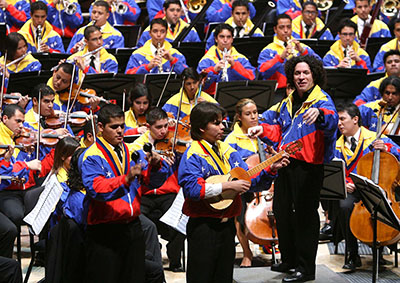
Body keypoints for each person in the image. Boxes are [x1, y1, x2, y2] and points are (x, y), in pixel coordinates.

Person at [248, 55, 338, 282]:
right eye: (297, 73)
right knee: (281, 211)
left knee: (305, 217)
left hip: (309, 166)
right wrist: (260, 129)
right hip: (286, 162)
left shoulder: (321, 100)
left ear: (314, 75)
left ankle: (306, 269)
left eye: (305, 73)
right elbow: (273, 125)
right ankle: (288, 259)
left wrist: (319, 115)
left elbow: (332, 121)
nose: (301, 77)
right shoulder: (287, 102)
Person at [178, 101, 289, 283]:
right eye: (216, 123)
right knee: (201, 277)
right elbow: (193, 189)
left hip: (227, 226)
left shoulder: (227, 150)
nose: (222, 127)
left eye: (222, 122)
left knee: (224, 277)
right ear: (201, 128)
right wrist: (228, 186)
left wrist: (271, 169)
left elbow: (249, 182)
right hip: (203, 227)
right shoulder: (193, 154)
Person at [80, 104, 168, 283]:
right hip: (105, 230)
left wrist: (156, 166)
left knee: (135, 278)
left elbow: (150, 183)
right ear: (100, 128)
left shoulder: (131, 151)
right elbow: (96, 189)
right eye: (114, 127)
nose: (120, 131)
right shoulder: (91, 155)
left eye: (122, 126)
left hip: (132, 227)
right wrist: (125, 179)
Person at [334, 103, 400, 271]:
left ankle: (378, 252)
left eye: (343, 119)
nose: (339, 123)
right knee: (344, 206)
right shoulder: (337, 145)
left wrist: (387, 148)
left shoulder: (374, 137)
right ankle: (352, 254)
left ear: (355, 120)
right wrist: (344, 184)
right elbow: (334, 169)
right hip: (354, 190)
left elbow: (398, 151)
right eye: (338, 119)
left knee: (379, 207)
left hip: (377, 187)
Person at [128, 107, 185, 272]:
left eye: (166, 126)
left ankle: (175, 259)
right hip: (145, 195)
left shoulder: (174, 141)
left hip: (168, 193)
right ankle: (149, 259)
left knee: (180, 219)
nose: (164, 131)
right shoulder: (138, 145)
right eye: (158, 127)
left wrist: (179, 152)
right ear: (148, 126)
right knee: (138, 221)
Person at [224, 98, 271, 267]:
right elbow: (229, 167)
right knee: (239, 213)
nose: (253, 117)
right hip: (243, 186)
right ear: (239, 117)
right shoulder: (232, 139)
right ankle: (247, 252)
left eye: (255, 112)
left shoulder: (263, 134)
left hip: (265, 185)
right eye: (248, 114)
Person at [0, 105, 41, 259]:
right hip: (6, 191)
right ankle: (7, 260)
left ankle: (43, 255)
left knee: (47, 200)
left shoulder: (16, 138)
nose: (22, 126)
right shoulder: (1, 139)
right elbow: (6, 171)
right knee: (16, 215)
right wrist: (26, 165)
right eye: (18, 121)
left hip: (22, 188)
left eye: (23, 121)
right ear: (5, 119)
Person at [258, 14, 320, 90]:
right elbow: (262, 73)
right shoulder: (267, 50)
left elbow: (319, 65)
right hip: (279, 90)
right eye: (281, 27)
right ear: (275, 29)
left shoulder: (302, 47)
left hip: (302, 89)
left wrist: (303, 52)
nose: (286, 30)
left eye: (289, 27)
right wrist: (280, 58)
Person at [197, 23, 256, 95]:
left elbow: (252, 78)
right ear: (216, 39)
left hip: (237, 94)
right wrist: (214, 70)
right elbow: (199, 85)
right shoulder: (206, 60)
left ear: (232, 39)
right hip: (212, 98)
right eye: (222, 37)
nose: (225, 40)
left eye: (228, 37)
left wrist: (235, 65)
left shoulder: (241, 58)